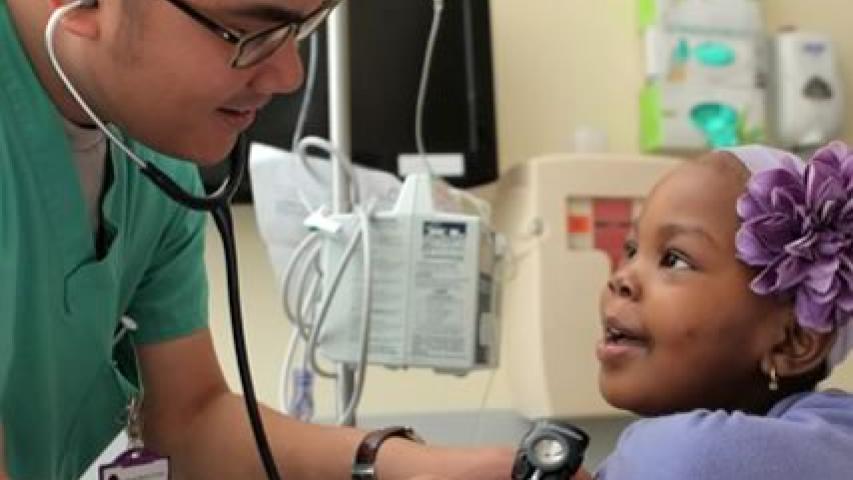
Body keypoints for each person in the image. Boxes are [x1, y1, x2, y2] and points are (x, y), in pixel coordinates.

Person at [0, 0, 515, 478]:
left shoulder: (154, 154)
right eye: (247, 31)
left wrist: (406, 465)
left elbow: (189, 419)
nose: (290, 75)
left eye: (300, 28)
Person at [585, 142, 853, 479]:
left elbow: (675, 457)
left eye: (675, 259)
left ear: (792, 340)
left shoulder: (677, 456)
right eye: (631, 249)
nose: (622, 278)